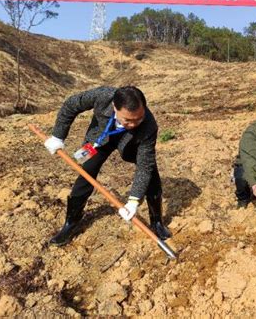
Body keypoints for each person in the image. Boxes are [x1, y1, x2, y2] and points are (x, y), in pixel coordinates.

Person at [44, 86, 172, 246]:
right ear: (114, 107)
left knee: (150, 170)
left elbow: (144, 167)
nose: (133, 124)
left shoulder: (148, 126)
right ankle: (71, 222)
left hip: (131, 144)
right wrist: (58, 136)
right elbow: (71, 104)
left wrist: (133, 201)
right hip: (100, 139)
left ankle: (157, 221)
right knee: (87, 172)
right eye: (128, 120)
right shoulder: (102, 96)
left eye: (138, 119)